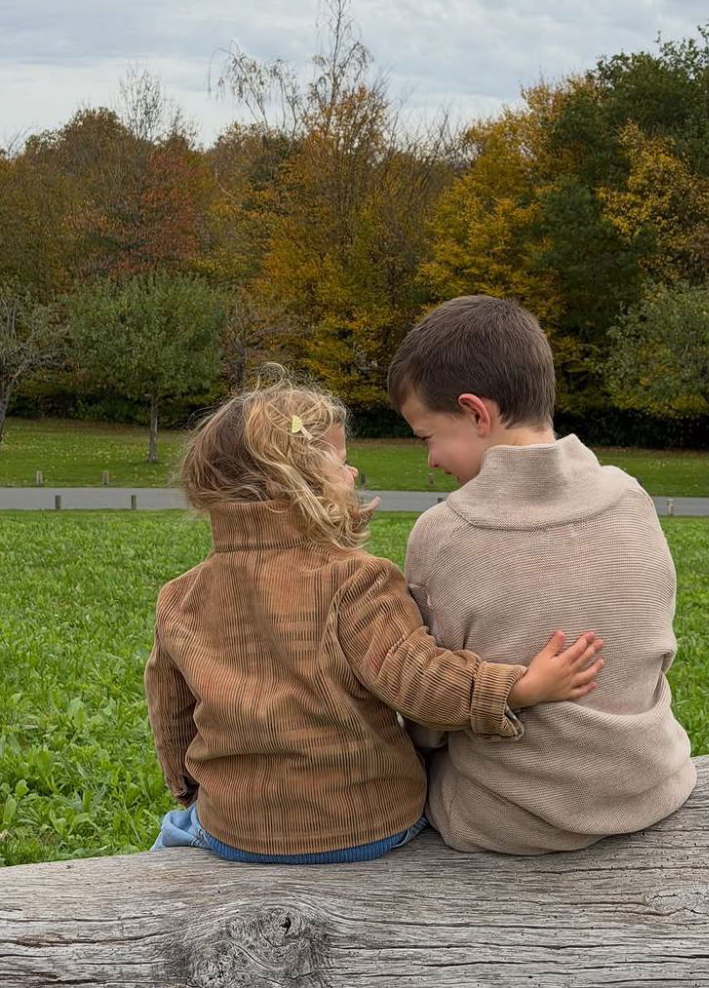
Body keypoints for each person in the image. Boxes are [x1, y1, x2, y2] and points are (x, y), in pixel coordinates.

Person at [144, 369, 604, 864]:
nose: (353, 474)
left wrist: (188, 789)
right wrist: (518, 688)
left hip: (238, 832)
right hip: (369, 824)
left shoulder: (180, 598)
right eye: (341, 462)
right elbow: (418, 681)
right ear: (302, 480)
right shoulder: (356, 581)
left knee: (171, 836)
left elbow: (170, 712)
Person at [388, 294, 696, 855]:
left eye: (426, 437)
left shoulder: (443, 533)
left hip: (509, 817)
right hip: (649, 786)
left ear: (476, 413)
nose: (430, 459)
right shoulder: (631, 497)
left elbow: (431, 716)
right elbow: (655, 648)